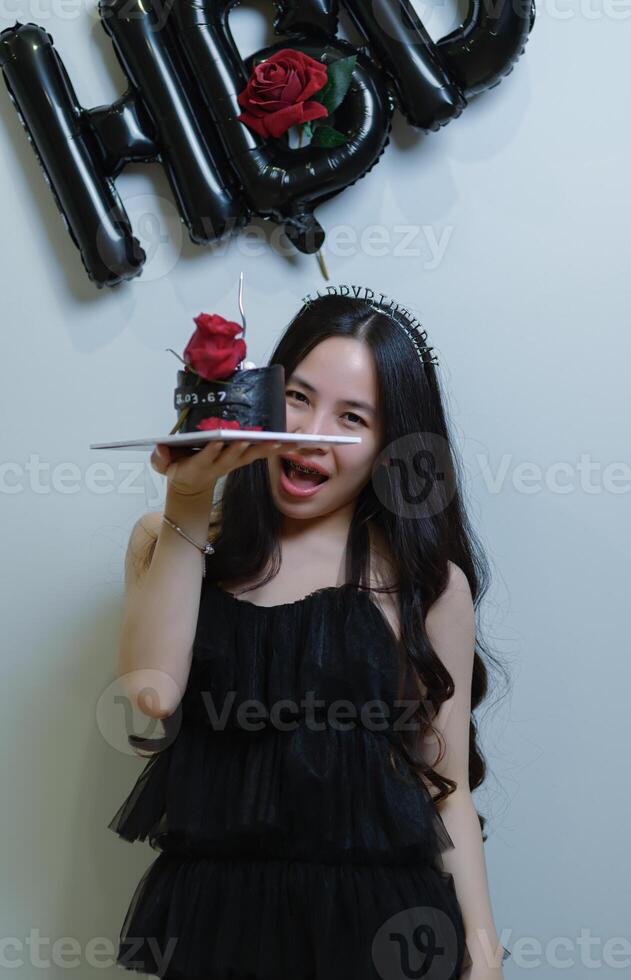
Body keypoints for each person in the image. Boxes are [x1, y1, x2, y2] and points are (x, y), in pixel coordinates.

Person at [109, 288, 511, 980]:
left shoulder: (428, 586)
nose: (311, 432)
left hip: (382, 934)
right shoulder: (171, 542)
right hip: (219, 932)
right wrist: (186, 497)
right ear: (262, 395)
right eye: (297, 397)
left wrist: (482, 955)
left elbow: (444, 785)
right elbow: (151, 696)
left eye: (352, 417)